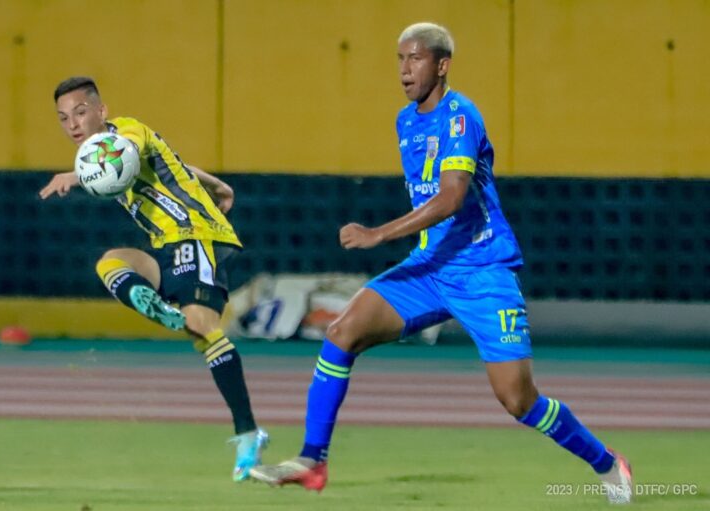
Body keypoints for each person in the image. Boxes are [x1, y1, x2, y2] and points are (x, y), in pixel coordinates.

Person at [250, 22, 633, 504]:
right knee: (342, 332)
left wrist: (378, 234)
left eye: (415, 59)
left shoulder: (461, 118)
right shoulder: (406, 121)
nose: (404, 70)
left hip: (482, 271)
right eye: (400, 59)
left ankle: (606, 462)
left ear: (442, 65)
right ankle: (312, 460)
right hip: (431, 268)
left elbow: (451, 198)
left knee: (518, 400)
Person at [39, 76, 267, 482]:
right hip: (166, 246)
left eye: (80, 112)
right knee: (111, 264)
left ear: (101, 111)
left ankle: (249, 434)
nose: (73, 124)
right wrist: (217, 184)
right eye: (63, 118)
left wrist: (73, 176)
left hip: (197, 235)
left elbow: (125, 151)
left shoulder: (126, 132)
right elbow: (175, 161)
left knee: (202, 327)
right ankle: (155, 306)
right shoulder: (106, 157)